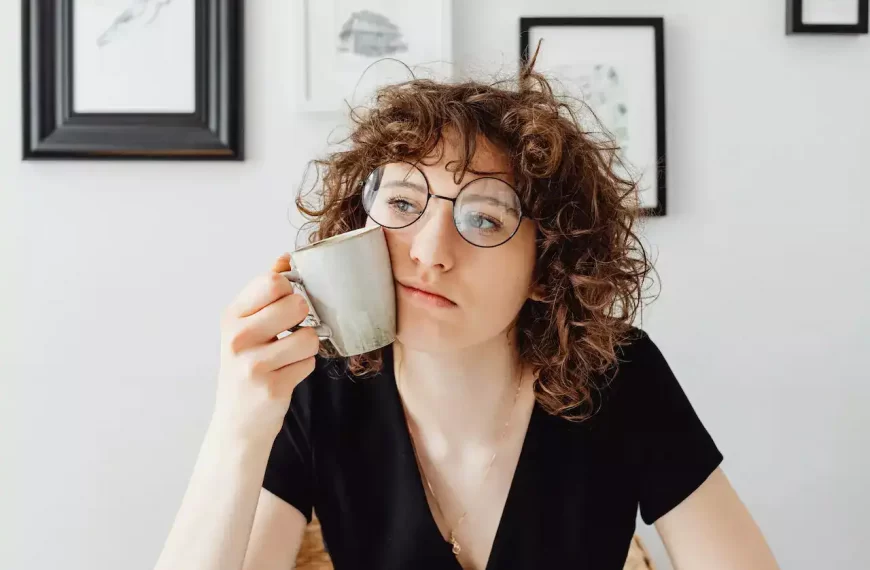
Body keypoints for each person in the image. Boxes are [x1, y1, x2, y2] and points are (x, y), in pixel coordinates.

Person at [153, 47, 781, 570]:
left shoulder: (618, 375)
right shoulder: (320, 385)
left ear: (548, 267)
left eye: (484, 217)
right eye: (402, 204)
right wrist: (238, 428)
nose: (430, 251)